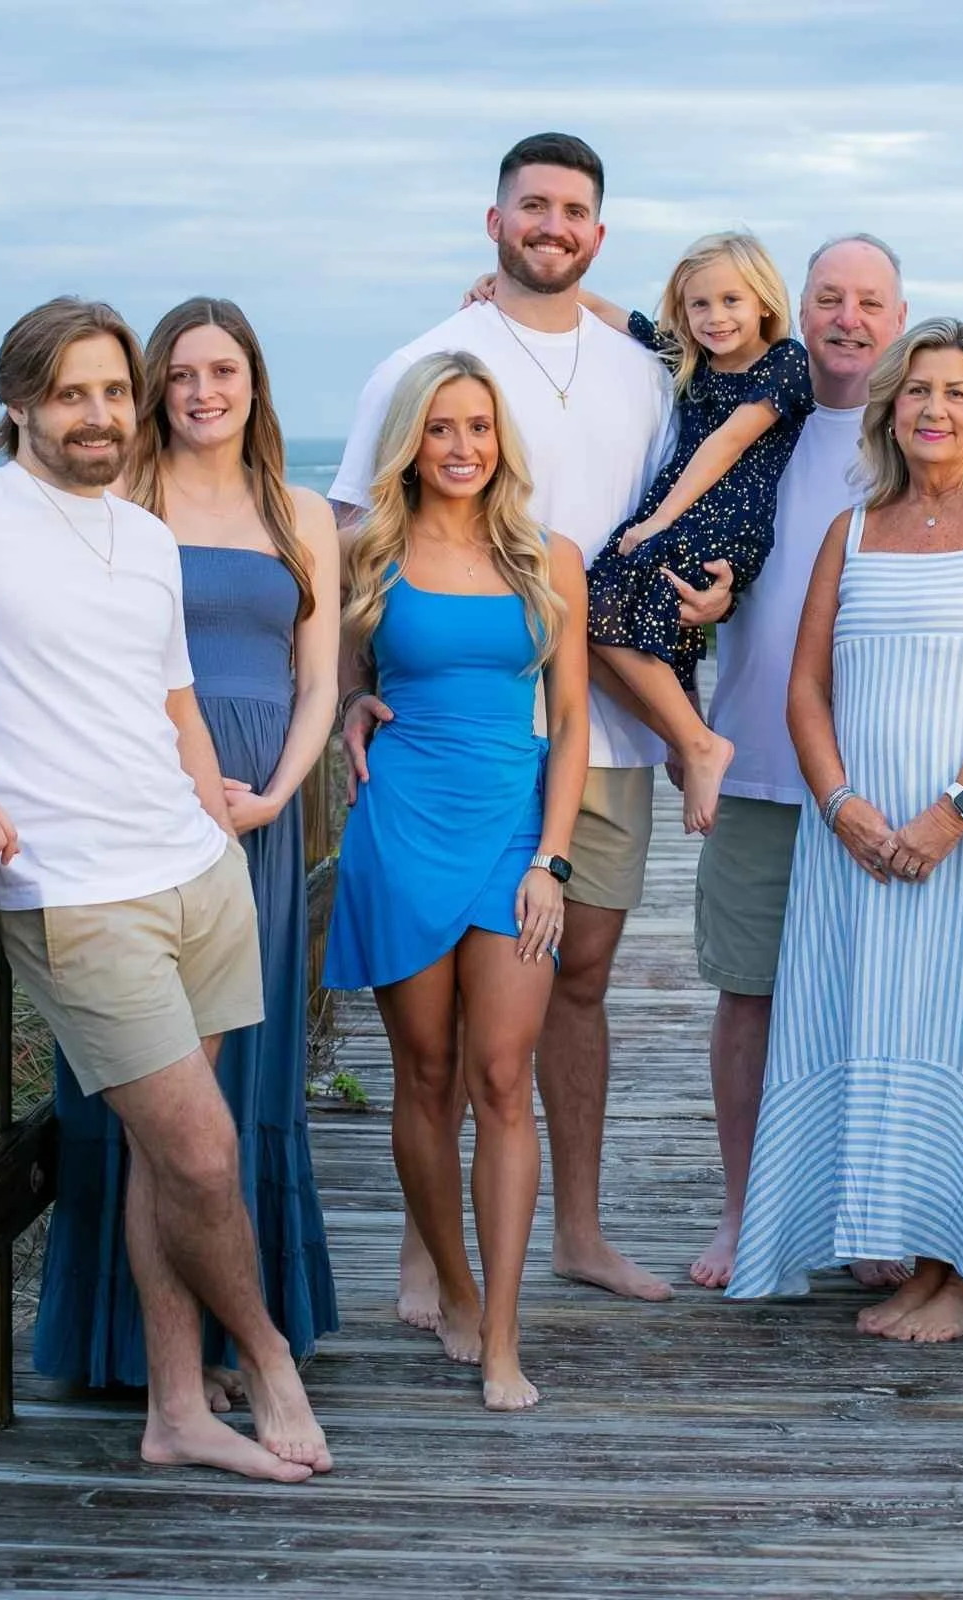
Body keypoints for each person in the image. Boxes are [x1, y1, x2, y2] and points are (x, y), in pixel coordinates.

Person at [0, 297, 329, 1483]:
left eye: (112, 392)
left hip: (196, 871)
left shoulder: (140, 535)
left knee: (161, 1149)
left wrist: (214, 821)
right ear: (19, 400)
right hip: (78, 896)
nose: (98, 415)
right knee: (198, 1151)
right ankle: (269, 1351)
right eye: (72, 392)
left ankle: (175, 1406)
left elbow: (175, 697)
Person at [330, 132, 731, 1314]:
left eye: (574, 213)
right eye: (533, 207)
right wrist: (355, 683)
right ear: (494, 220)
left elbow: (698, 496)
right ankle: (427, 1247)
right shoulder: (429, 361)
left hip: (610, 728)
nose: (552, 227)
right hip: (469, 734)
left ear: (598, 237)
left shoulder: (645, 371)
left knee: (583, 976)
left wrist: (716, 594)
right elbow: (356, 536)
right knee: (447, 1004)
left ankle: (582, 1231)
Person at [729, 319, 963, 1342]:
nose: (934, 409)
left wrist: (952, 813)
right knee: (878, 1014)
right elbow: (804, 690)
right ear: (888, 410)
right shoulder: (853, 528)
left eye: (956, 392)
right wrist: (842, 804)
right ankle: (922, 1259)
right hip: (859, 831)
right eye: (916, 391)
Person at [34, 297, 342, 1409]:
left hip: (258, 815)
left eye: (226, 370)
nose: (205, 391)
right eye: (183, 375)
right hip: (139, 810)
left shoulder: (299, 511)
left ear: (255, 382)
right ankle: (134, 1346)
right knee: (151, 1082)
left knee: (243, 1077)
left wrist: (278, 797)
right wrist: (180, 781)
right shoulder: (121, 500)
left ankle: (226, 1338)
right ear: (158, 388)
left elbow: (320, 678)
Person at [323, 353, 589, 1412]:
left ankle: (506, 1335)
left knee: (500, 1075)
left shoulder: (546, 558)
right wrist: (350, 701)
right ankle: (460, 1287)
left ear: (502, 440)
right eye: (442, 428)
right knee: (425, 1076)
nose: (464, 446)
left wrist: (552, 860)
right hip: (401, 827)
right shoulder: (365, 553)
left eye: (479, 426)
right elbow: (338, 671)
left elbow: (569, 723)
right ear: (411, 442)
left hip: (513, 828)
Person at [687, 233, 908, 1291]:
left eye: (869, 300)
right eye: (829, 297)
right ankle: (743, 1213)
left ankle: (868, 1213)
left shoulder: (920, 433)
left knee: (874, 998)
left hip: (885, 782)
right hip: (758, 764)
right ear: (796, 311)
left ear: (898, 317)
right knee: (750, 997)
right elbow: (642, 336)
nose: (847, 317)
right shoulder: (752, 420)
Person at [550, 231, 812, 835]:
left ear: (764, 304)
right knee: (580, 618)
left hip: (725, 517)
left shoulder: (785, 361)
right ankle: (685, 736)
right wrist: (507, 288)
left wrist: (661, 519)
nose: (715, 317)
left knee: (598, 602)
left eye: (731, 301)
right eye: (700, 305)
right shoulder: (688, 356)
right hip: (677, 509)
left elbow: (729, 442)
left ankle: (695, 743)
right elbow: (614, 314)